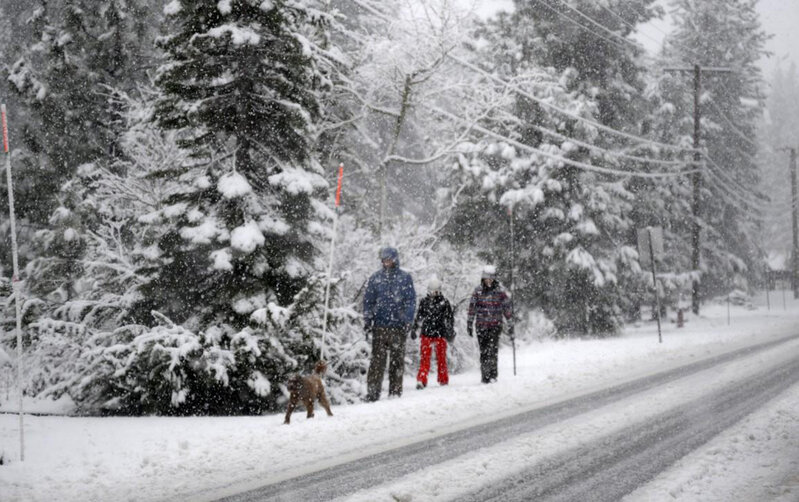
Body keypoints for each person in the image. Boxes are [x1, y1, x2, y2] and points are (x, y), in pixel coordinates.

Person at [363, 247, 416, 401]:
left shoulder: (405, 278)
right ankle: (373, 393)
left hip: (398, 327)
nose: (386, 262)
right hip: (380, 326)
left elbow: (411, 300)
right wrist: (367, 319)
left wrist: (407, 319)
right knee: (377, 362)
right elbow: (368, 301)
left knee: (397, 361)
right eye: (384, 260)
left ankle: (395, 392)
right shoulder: (375, 278)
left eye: (389, 259)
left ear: (395, 259)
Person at [467, 265, 513, 384]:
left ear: (494, 279)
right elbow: (472, 308)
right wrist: (469, 323)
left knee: (492, 350)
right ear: (483, 279)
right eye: (486, 278)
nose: (488, 281)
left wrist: (510, 323)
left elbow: (506, 308)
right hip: (481, 326)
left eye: (491, 278)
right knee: (484, 351)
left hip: (495, 325)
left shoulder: (500, 291)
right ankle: (485, 376)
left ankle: (493, 375)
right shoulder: (478, 291)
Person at [411, 276, 454, 390]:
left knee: (441, 358)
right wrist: (414, 328)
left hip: (440, 333)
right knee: (425, 358)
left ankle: (443, 379)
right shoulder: (424, 302)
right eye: (431, 290)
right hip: (426, 333)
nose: (434, 293)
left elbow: (449, 318)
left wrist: (450, 329)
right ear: (428, 290)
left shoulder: (444, 302)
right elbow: (419, 316)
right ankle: (422, 380)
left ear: (439, 290)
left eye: (436, 291)